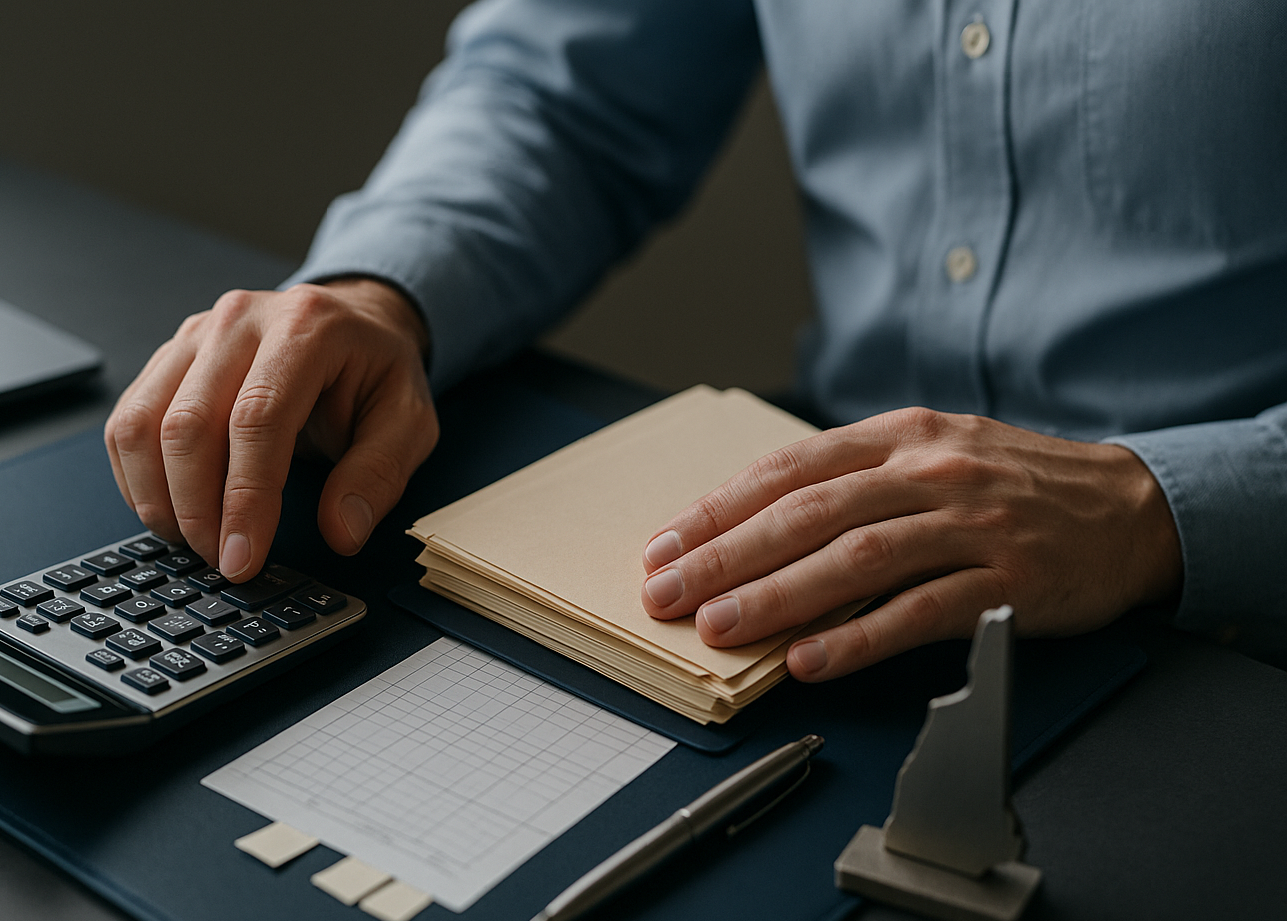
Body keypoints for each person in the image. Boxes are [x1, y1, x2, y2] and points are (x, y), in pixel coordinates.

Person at [104, 0, 1287, 682]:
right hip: (821, 557)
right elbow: (571, 96)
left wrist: (1155, 505)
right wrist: (382, 288)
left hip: (1223, 633)